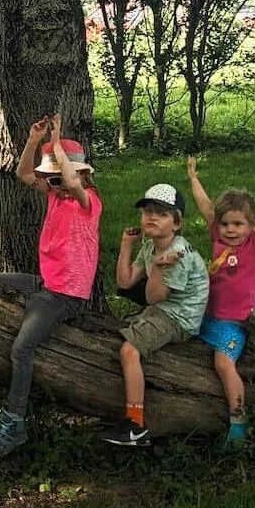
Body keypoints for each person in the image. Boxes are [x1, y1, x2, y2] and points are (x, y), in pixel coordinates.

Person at [0, 114, 102, 455]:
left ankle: (14, 419)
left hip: (66, 295)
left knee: (22, 348)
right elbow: (22, 174)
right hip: (46, 283)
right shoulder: (54, 196)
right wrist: (35, 140)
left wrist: (60, 140)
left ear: (82, 174)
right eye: (51, 179)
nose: (55, 184)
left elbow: (72, 182)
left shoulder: (88, 203)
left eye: (60, 178)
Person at [188, 157, 255, 448]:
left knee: (223, 363)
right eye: (225, 224)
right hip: (207, 315)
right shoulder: (218, 239)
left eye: (238, 224)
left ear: (252, 225)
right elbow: (207, 208)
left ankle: (238, 423)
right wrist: (194, 179)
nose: (230, 230)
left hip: (235, 323)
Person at [100, 183, 209, 447]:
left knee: (129, 350)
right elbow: (125, 283)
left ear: (177, 223)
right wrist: (127, 244)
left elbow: (152, 297)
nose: (151, 217)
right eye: (147, 211)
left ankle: (135, 424)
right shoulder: (151, 246)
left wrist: (159, 269)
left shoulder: (178, 254)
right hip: (164, 308)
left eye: (161, 214)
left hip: (180, 318)